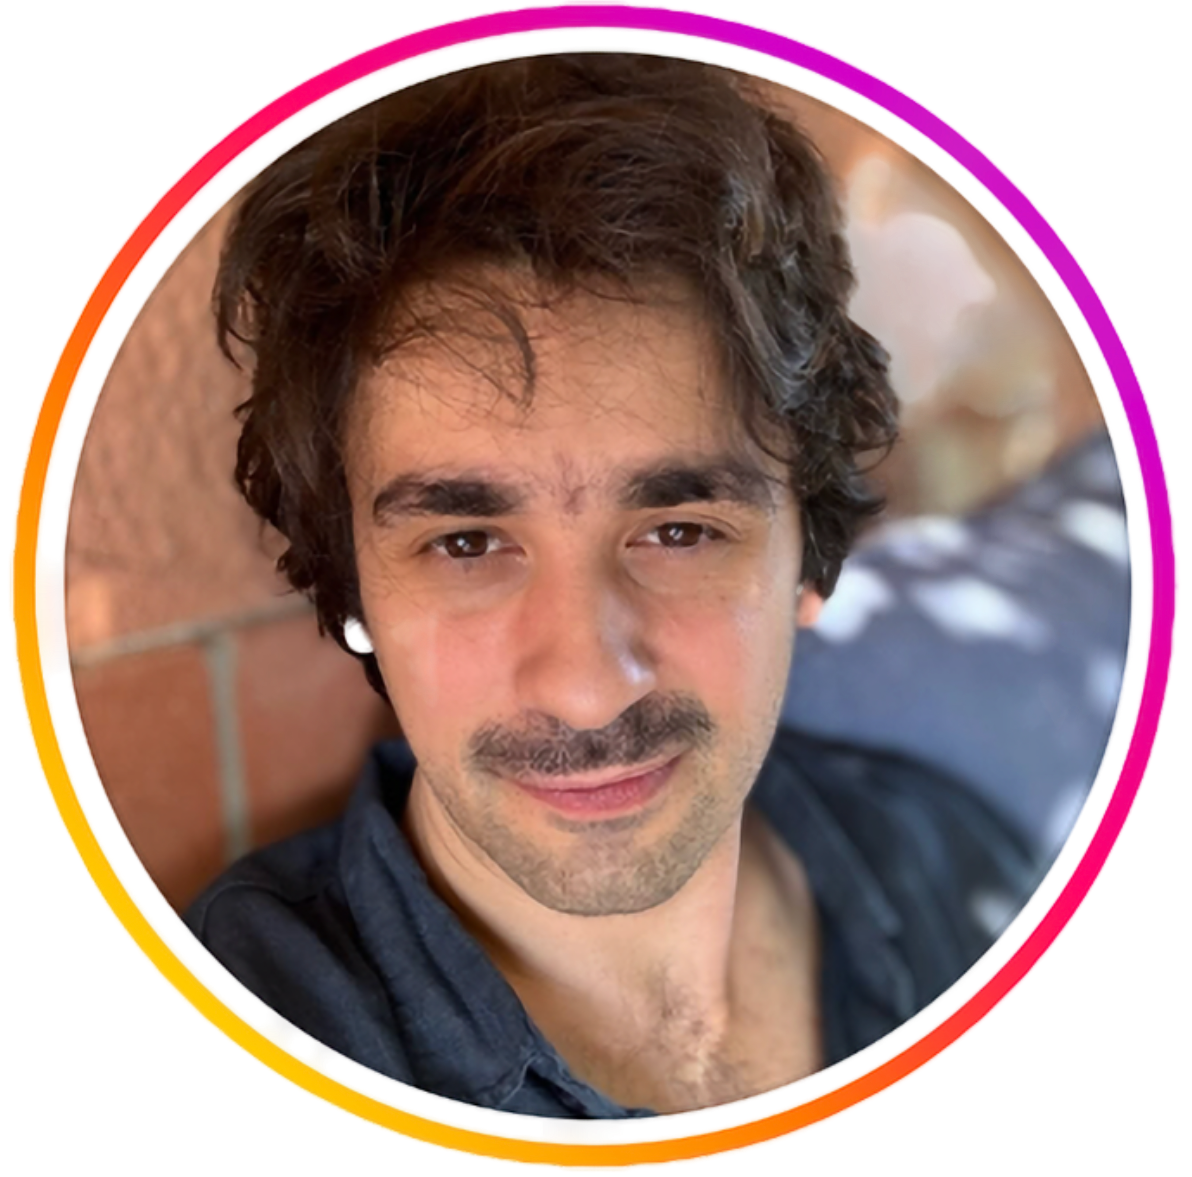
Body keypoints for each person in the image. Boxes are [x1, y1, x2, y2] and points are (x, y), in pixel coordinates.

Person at [185, 49, 1036, 1122]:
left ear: (809, 557)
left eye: (678, 531)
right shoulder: (220, 1049)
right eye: (466, 543)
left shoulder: (953, 864)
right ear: (353, 594)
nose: (589, 689)